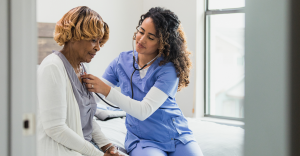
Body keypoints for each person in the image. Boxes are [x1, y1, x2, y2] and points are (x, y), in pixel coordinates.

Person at [81, 7, 204, 156]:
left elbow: (143, 111)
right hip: (142, 140)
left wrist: (106, 90)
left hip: (177, 135)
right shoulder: (121, 61)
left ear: (163, 43)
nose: (141, 39)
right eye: (141, 31)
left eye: (151, 37)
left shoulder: (168, 69)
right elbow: (93, 97)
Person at [37, 6, 123, 156]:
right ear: (74, 35)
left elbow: (87, 119)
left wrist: (108, 146)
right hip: (59, 149)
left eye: (99, 41)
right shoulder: (53, 67)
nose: (98, 47)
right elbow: (55, 128)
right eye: (93, 40)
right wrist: (98, 154)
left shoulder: (81, 69)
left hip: (83, 145)